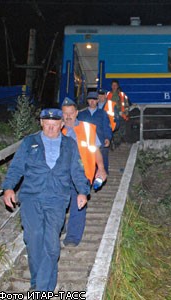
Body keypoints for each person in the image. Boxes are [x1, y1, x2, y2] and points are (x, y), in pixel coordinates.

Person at [2, 108, 90, 291]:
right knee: (34, 240)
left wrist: (82, 191)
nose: (51, 128)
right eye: (47, 124)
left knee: (51, 245)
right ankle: (40, 284)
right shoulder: (29, 143)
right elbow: (17, 167)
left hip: (57, 199)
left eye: (55, 125)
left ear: (62, 124)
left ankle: (41, 289)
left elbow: (77, 170)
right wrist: (8, 187)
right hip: (31, 198)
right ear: (41, 123)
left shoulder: (70, 145)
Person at [61, 98, 107, 247]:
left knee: (78, 204)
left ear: (76, 113)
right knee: (59, 203)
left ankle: (73, 237)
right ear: (61, 114)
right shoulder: (55, 129)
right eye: (65, 114)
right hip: (60, 175)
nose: (68, 117)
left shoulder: (87, 129)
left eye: (71, 113)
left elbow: (96, 150)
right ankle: (59, 228)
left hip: (83, 173)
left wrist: (100, 168)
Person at [78, 91, 112, 174]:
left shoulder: (103, 113)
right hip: (86, 143)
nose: (92, 101)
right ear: (87, 101)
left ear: (97, 101)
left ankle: (101, 178)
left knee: (102, 162)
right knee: (86, 164)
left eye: (94, 99)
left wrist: (107, 138)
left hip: (100, 142)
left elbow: (106, 126)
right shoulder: (81, 114)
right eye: (90, 99)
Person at [106, 80, 130, 144]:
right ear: (111, 86)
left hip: (121, 116)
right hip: (111, 117)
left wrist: (126, 113)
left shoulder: (122, 94)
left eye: (115, 85)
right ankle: (114, 142)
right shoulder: (108, 94)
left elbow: (127, 105)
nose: (114, 87)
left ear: (117, 86)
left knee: (121, 131)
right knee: (113, 130)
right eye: (113, 85)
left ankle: (121, 143)